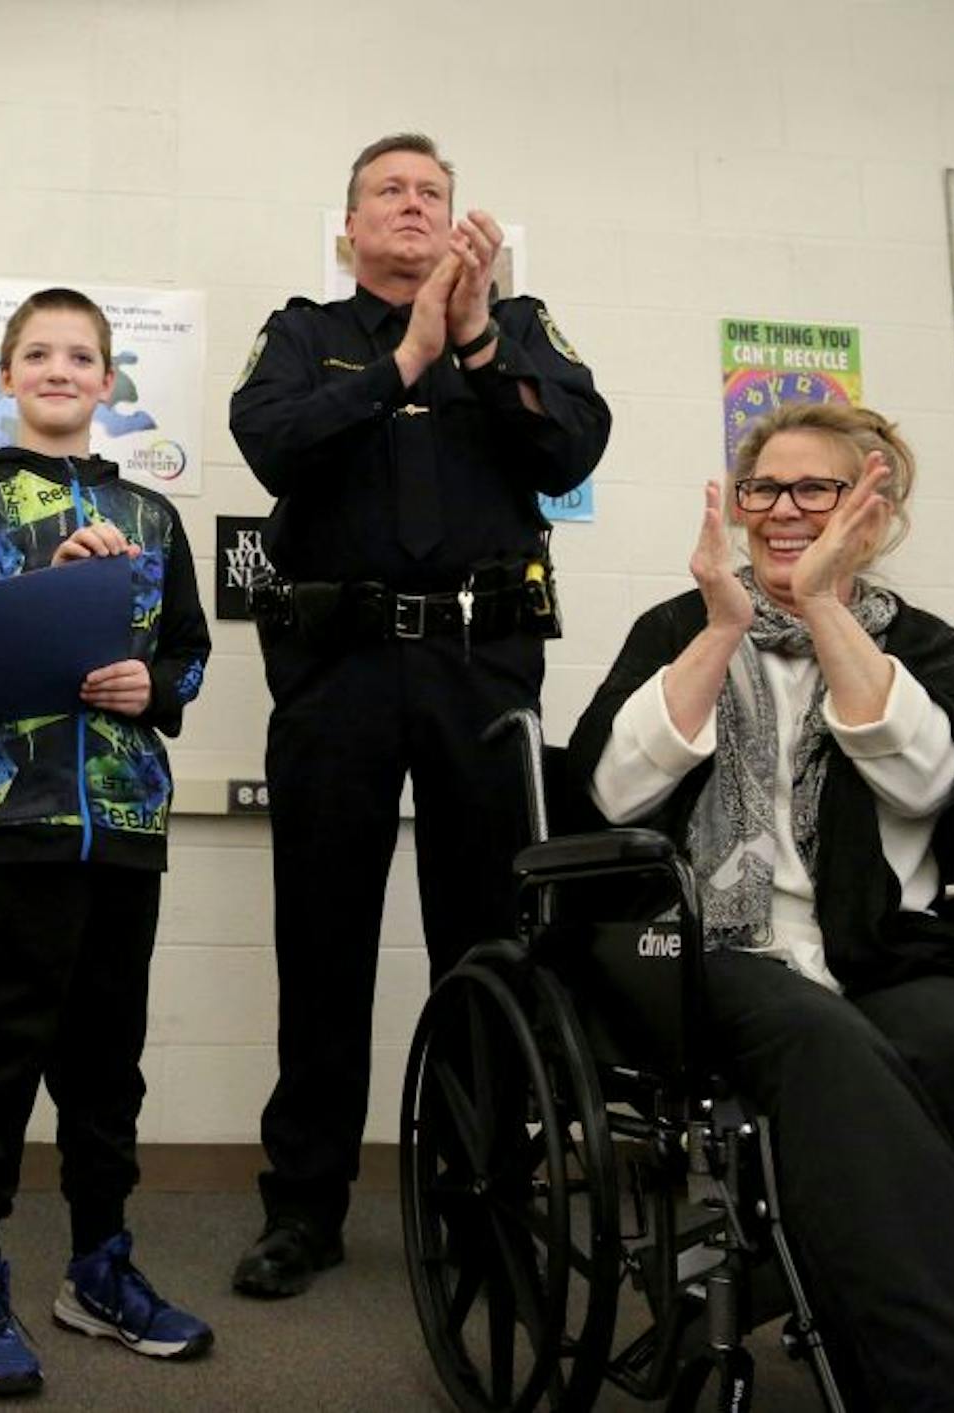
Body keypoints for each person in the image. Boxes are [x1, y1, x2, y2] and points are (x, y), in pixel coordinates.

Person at [567, 400, 954, 1411]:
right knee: (822, 1041)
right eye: (764, 487)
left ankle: (893, 1341)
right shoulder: (680, 626)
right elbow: (610, 793)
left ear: (872, 504)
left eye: (814, 487)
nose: (781, 509)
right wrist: (727, 629)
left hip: (882, 948)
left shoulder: (926, 645)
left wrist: (824, 609)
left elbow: (933, 791)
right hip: (706, 947)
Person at [227, 132, 610, 1296]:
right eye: (388, 191)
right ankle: (305, 1210)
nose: (411, 204)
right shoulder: (304, 334)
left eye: (431, 192)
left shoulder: (523, 325)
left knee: (488, 942)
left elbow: (572, 447)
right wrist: (407, 357)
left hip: (481, 672)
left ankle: (478, 1200)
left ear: (459, 224)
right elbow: (268, 444)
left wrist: (480, 340)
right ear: (348, 229)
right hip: (337, 674)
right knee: (323, 943)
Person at [0, 288, 214, 1395]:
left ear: (106, 380)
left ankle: (98, 1265)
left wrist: (152, 683)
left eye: (79, 354)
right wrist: (43, 599)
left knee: (106, 1064)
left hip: (126, 823)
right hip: (7, 823)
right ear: (6, 375)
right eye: (37, 352)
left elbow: (185, 655)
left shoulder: (153, 518)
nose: (58, 368)